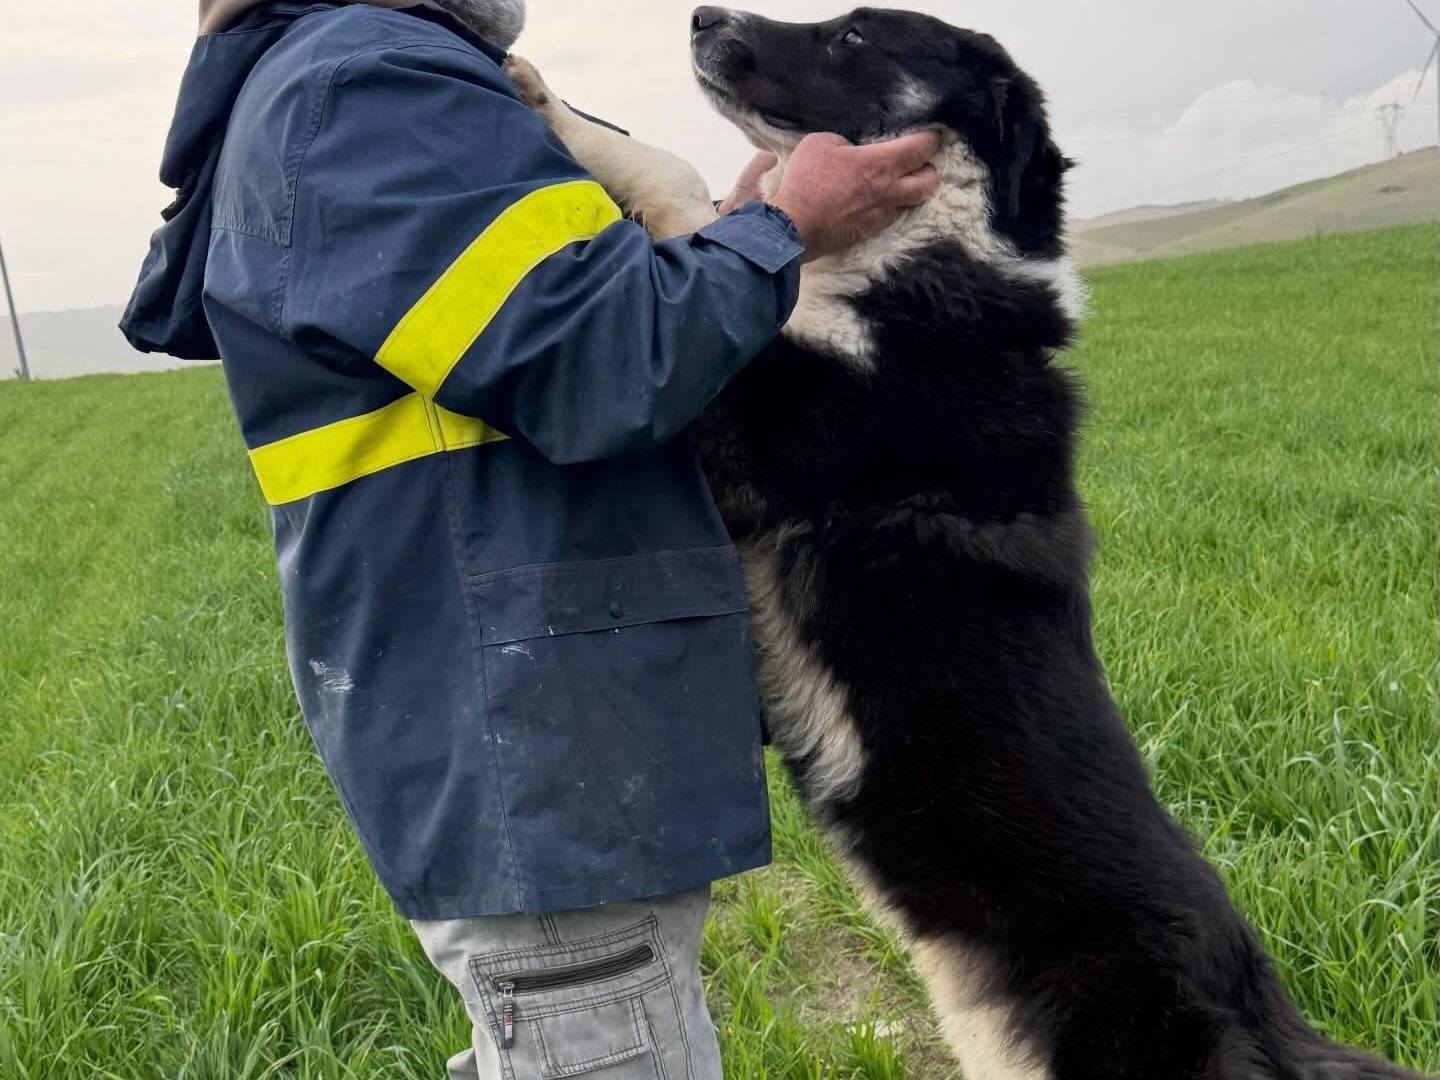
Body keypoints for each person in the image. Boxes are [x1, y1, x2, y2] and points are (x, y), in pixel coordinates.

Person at [121, 1, 940, 1076]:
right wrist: (785, 230)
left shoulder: (343, 85)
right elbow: (598, 360)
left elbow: (563, 328)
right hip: (545, 748)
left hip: (533, 736)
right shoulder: (371, 87)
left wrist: (735, 239)